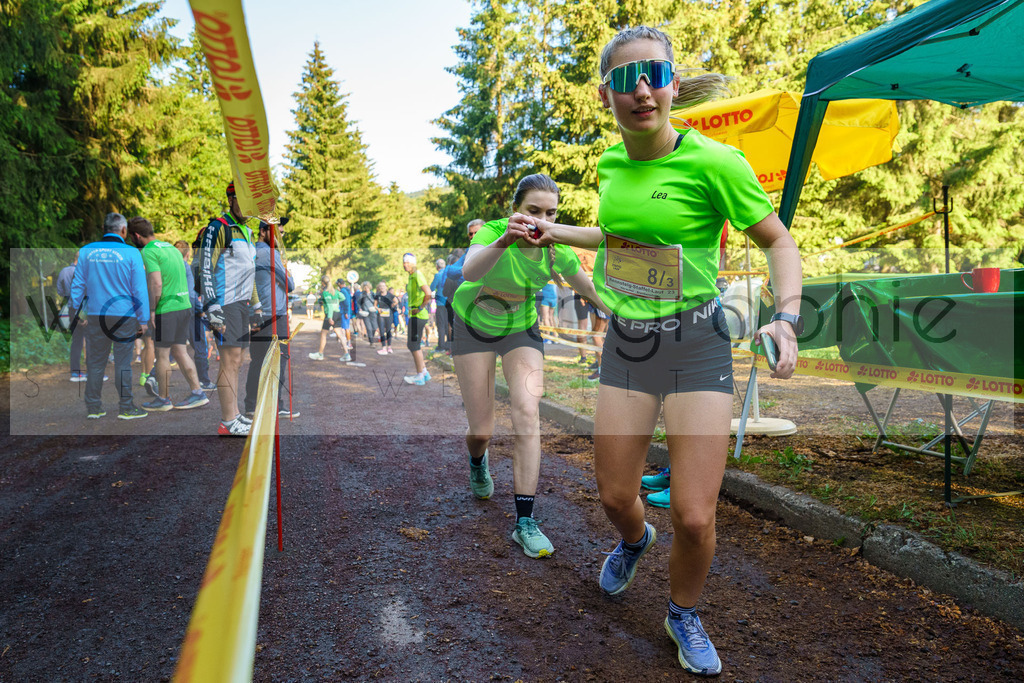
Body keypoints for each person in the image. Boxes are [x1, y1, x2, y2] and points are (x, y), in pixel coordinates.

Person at [518, 27, 802, 675]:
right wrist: (551, 229)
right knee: (618, 498)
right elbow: (618, 234)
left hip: (698, 344)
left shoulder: (716, 163)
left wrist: (786, 317)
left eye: (653, 75)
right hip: (629, 345)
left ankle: (683, 612)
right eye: (624, 80)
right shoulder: (611, 166)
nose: (640, 90)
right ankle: (635, 539)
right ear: (605, 95)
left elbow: (778, 243)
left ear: (673, 82)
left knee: (696, 516)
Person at [452, 173, 610, 559]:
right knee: (482, 429)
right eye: (533, 211)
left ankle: (525, 522)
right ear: (516, 210)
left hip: (520, 329)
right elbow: (470, 271)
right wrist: (505, 239)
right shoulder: (492, 231)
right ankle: (477, 460)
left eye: (550, 213)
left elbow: (587, 288)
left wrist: (620, 315)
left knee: (527, 411)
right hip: (473, 325)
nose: (541, 220)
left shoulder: (556, 245)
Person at [198, 181, 264, 437]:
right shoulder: (218, 228)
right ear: (231, 200)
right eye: (243, 201)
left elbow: (250, 274)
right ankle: (227, 420)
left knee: (236, 360)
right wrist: (212, 306)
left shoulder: (246, 232)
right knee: (228, 360)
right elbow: (205, 267)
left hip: (241, 304)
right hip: (223, 302)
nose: (248, 208)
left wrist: (256, 306)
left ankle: (234, 415)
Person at [69, 212, 150, 420]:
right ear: (123, 231)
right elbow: (139, 290)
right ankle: (126, 407)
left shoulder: (86, 251)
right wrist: (143, 319)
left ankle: (94, 408)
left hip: (96, 315)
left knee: (95, 362)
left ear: (104, 229)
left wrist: (75, 310)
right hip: (124, 315)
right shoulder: (132, 253)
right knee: (123, 361)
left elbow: (77, 284)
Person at [126, 218, 209, 412]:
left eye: (131, 237)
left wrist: (153, 310)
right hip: (184, 306)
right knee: (180, 351)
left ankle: (163, 399)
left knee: (162, 354)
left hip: (167, 308)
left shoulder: (149, 251)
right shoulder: (171, 249)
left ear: (136, 236)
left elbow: (156, 283)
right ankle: (198, 393)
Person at [245, 220, 297, 418]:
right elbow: (290, 284)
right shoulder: (270, 254)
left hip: (256, 313)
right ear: (263, 231)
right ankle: (276, 404)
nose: (280, 238)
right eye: (278, 233)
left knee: (257, 360)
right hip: (275, 314)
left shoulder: (251, 251)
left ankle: (251, 405)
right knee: (279, 359)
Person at [174, 241, 216, 392]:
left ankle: (153, 376)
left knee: (172, 348)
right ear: (188, 253)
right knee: (200, 347)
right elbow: (193, 294)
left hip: (174, 309)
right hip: (191, 311)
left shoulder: (171, 267)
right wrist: (201, 311)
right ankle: (203, 381)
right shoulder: (190, 266)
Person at [56, 253, 88, 382]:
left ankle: (75, 373)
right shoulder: (83, 272)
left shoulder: (64, 271)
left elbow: (60, 291)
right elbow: (86, 292)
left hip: (71, 309)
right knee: (91, 341)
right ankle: (94, 372)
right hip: (83, 309)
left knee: (76, 341)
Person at [401, 253, 433, 385]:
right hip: (413, 314)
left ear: (414, 263)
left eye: (408, 262)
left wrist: (420, 308)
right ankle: (424, 372)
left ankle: (421, 375)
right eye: (404, 262)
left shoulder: (417, 275)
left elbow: (428, 293)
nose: (405, 264)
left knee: (414, 345)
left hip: (418, 315)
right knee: (413, 344)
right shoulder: (411, 276)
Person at [308, 276, 347, 361]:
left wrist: (329, 317)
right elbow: (343, 297)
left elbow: (329, 306)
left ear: (322, 283)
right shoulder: (335, 291)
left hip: (330, 314)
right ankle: (347, 354)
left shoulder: (326, 292)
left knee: (323, 334)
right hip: (337, 313)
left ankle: (320, 354)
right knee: (340, 334)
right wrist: (336, 302)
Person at [431, 257, 450, 352]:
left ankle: (441, 346)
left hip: (440, 303)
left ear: (436, 266)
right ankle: (449, 345)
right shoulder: (449, 274)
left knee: (441, 324)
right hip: (450, 303)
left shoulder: (438, 275)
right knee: (448, 324)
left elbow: (432, 287)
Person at [374, 281, 396, 354]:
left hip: (388, 314)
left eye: (383, 286)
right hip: (381, 314)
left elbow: (396, 301)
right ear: (379, 288)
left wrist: (392, 306)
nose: (382, 287)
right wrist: (378, 309)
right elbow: (375, 305)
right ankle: (383, 347)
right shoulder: (377, 295)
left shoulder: (390, 295)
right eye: (380, 286)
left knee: (388, 330)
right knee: (381, 331)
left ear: (386, 287)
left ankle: (389, 347)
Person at [358, 281, 380, 347]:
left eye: (367, 287)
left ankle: (371, 339)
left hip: (373, 312)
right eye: (365, 287)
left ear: (369, 287)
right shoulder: (361, 295)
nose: (366, 288)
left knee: (374, 327)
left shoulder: (373, 294)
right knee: (369, 328)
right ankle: (371, 342)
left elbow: (376, 302)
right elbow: (358, 303)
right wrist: (360, 308)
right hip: (365, 313)